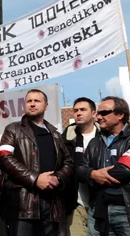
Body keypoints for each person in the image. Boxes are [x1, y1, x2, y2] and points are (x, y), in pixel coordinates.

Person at [0, 89, 73, 236]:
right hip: (22, 204)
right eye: (29, 101)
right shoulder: (13, 129)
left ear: (46, 105)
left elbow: (69, 163)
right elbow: (4, 157)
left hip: (52, 204)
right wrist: (35, 178)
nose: (32, 104)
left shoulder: (56, 134)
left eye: (37, 101)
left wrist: (58, 178)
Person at [77, 96, 130, 235]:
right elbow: (80, 169)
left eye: (104, 113)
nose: (98, 117)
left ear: (120, 115)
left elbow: (125, 170)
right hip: (99, 209)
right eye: (98, 113)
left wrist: (94, 174)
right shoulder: (95, 142)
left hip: (125, 209)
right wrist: (92, 174)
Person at [62, 97, 99, 236]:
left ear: (94, 114)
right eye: (75, 110)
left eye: (83, 110)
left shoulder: (104, 137)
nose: (78, 113)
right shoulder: (66, 138)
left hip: (100, 204)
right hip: (75, 204)